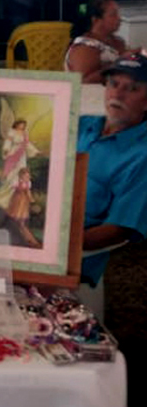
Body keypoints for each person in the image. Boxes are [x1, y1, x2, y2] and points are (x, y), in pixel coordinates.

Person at [77, 52, 147, 287]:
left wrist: (57, 246)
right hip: (27, 228)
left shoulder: (141, 157)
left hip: (74, 257)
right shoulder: (83, 124)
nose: (117, 93)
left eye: (133, 88)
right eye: (114, 84)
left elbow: (118, 229)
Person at [65, 0, 127, 84]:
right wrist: (122, 63)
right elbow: (84, 81)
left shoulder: (118, 42)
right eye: (113, 15)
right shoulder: (84, 47)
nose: (119, 19)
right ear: (96, 20)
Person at [6, 167, 41, 248]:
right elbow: (13, 189)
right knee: (16, 217)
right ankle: (23, 232)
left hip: (23, 203)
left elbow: (28, 193)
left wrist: (31, 200)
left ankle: (27, 236)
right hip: (16, 201)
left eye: (28, 176)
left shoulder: (28, 183)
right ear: (21, 176)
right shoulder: (17, 182)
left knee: (21, 217)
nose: (27, 178)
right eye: (25, 176)